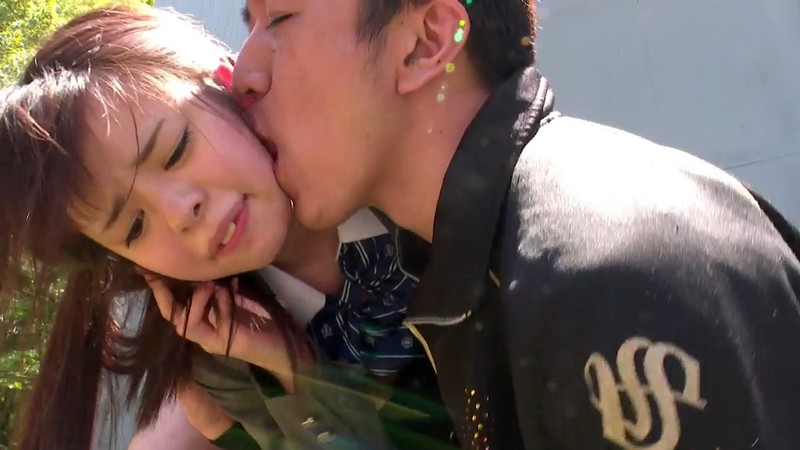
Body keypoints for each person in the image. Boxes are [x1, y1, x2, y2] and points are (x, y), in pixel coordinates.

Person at [232, 0, 800, 448]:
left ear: (426, 42)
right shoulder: (475, 266)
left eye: (280, 19)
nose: (243, 76)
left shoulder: (600, 276)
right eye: (249, 26)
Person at [0, 5, 453, 450]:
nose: (180, 213)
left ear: (225, 80)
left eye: (176, 150)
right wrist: (296, 369)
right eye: (134, 227)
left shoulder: (398, 151)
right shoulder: (225, 365)